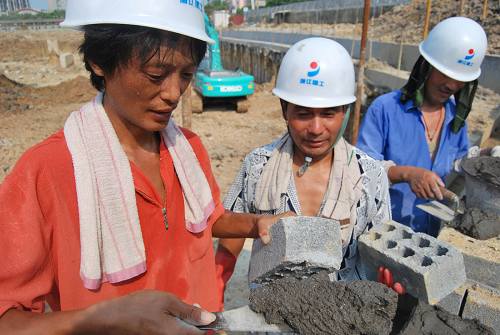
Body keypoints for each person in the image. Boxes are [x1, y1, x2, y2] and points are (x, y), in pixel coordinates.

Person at [0, 1, 283, 334]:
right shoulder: (47, 172)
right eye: (156, 75)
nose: (174, 93)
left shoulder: (187, 149)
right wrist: (104, 318)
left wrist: (258, 224)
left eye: (187, 75)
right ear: (99, 61)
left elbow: (207, 221)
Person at [215, 37, 393, 305]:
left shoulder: (369, 176)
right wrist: (217, 285)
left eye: (329, 114)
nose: (316, 129)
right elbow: (233, 228)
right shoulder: (258, 166)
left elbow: (380, 251)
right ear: (284, 110)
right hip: (271, 312)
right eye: (303, 114)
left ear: (344, 112)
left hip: (342, 314)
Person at [357, 17, 494, 237]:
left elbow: (457, 162)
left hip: (428, 235)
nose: (451, 85)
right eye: (445, 74)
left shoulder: (454, 117)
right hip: (383, 233)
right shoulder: (385, 109)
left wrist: (485, 157)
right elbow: (361, 171)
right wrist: (406, 174)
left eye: (459, 79)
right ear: (426, 66)